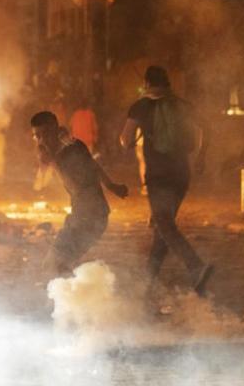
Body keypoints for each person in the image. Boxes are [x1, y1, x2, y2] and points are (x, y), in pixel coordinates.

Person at [119, 65, 214, 296]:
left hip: (159, 175)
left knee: (164, 224)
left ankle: (195, 265)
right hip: (182, 173)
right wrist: (201, 157)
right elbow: (207, 127)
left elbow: (125, 139)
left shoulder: (141, 106)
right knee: (162, 227)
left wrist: (132, 141)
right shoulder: (183, 105)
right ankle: (147, 282)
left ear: (147, 82)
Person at [31, 111, 128, 275]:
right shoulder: (62, 149)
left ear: (56, 128)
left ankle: (78, 296)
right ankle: (78, 296)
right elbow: (93, 166)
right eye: (37, 135)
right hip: (80, 216)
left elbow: (81, 182)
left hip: (90, 217)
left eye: (46, 133)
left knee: (55, 266)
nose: (42, 140)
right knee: (58, 266)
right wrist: (112, 186)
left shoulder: (71, 150)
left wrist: (53, 162)